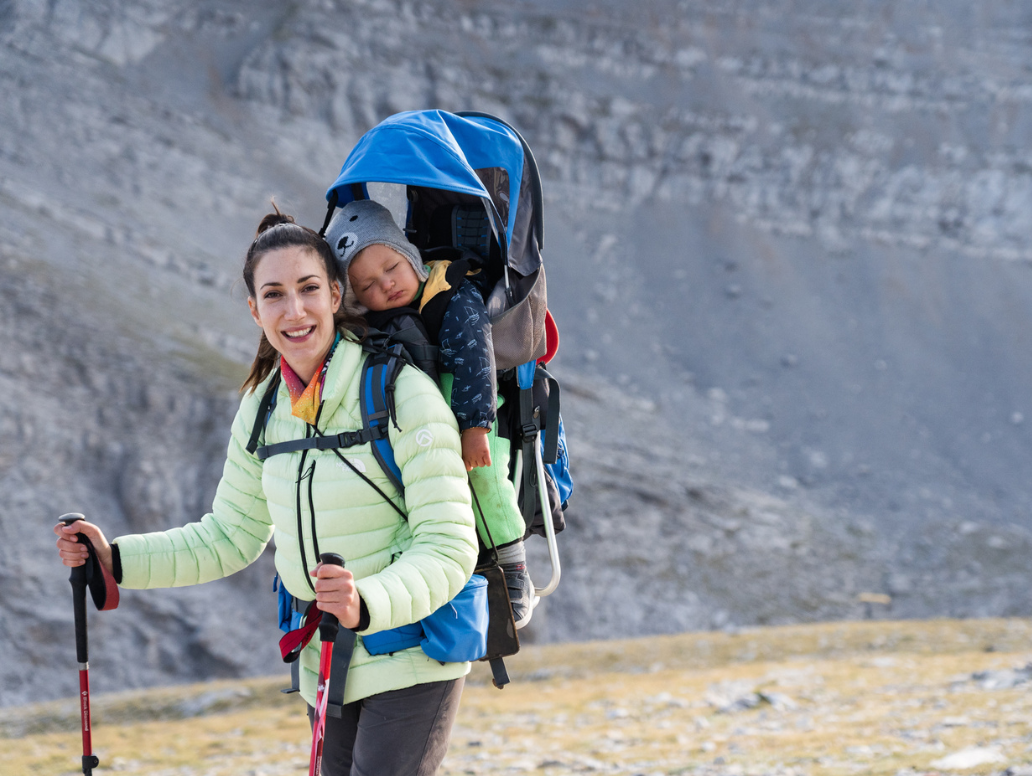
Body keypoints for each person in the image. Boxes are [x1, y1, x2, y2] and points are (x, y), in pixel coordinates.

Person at [55, 210, 479, 776]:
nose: (294, 310)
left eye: (308, 289)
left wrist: (365, 603)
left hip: (414, 653)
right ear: (255, 310)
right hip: (322, 660)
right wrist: (115, 559)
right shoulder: (263, 409)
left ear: (334, 294)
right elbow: (230, 537)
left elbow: (449, 544)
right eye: (274, 295)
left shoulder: (401, 392)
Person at [325, 199, 533, 628]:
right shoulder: (377, 327)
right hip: (424, 424)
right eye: (366, 286)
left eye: (391, 268)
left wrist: (475, 427)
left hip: (473, 408)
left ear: (411, 256)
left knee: (484, 480)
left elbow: (477, 360)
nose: (385, 286)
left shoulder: (451, 294)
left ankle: (512, 565)